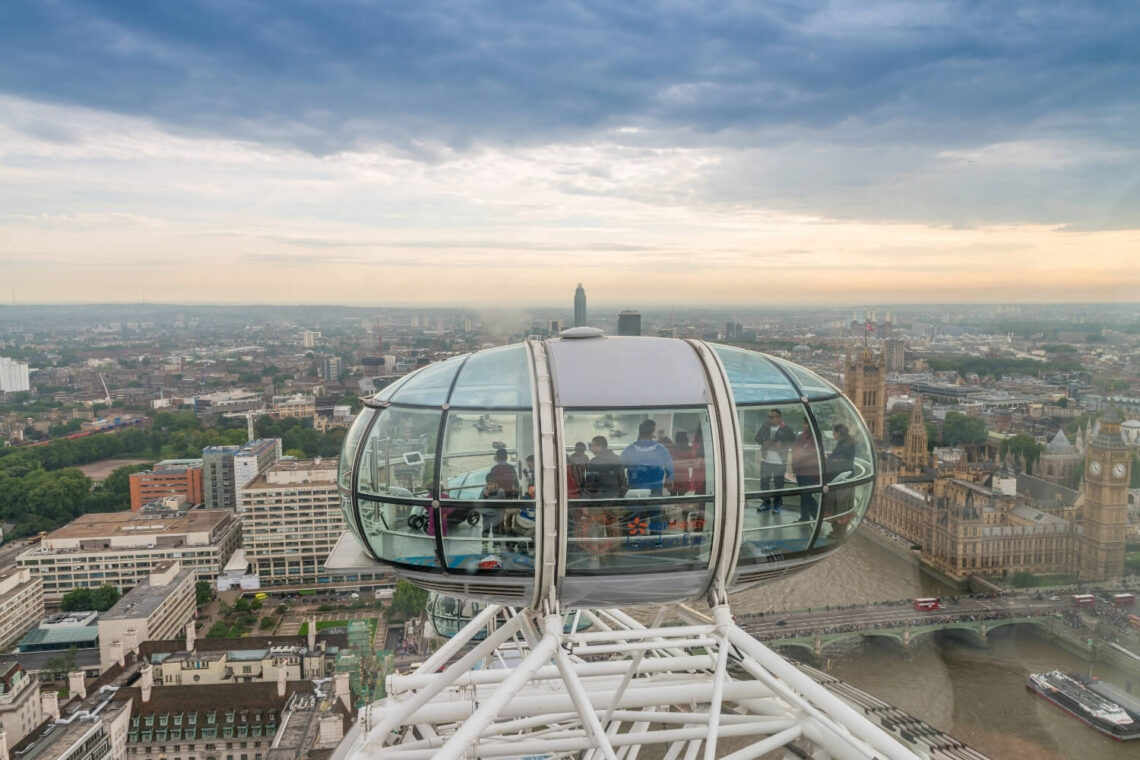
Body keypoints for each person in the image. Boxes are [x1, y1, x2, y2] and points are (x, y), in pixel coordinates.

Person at [755, 409, 796, 513]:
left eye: (772, 417)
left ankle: (777, 505)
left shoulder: (786, 429)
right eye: (769, 416)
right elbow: (757, 438)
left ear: (779, 418)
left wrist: (782, 445)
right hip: (766, 460)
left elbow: (794, 441)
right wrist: (764, 442)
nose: (769, 419)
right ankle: (765, 503)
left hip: (779, 462)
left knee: (779, 485)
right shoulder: (765, 427)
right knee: (764, 484)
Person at [621, 419, 674, 496]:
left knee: (635, 507)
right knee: (654, 507)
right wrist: (669, 479)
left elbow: (620, 467)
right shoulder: (660, 449)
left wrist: (623, 483)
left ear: (639, 432)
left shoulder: (629, 449)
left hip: (634, 486)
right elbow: (670, 467)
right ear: (652, 432)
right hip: (655, 486)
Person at [790, 419, 820, 522]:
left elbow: (810, 452)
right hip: (800, 470)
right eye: (803, 423)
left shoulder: (814, 437)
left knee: (806, 495)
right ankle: (805, 517)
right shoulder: (802, 436)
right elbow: (795, 449)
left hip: (809, 471)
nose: (803, 425)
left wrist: (801, 452)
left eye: (805, 423)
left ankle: (817, 515)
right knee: (804, 495)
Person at [668, 431, 693, 496]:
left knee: (672, 495)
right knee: (681, 496)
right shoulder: (689, 449)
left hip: (673, 474)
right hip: (683, 475)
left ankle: (673, 505)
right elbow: (692, 463)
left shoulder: (672, 449)